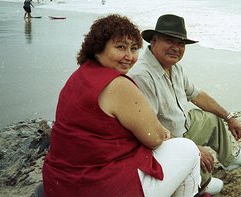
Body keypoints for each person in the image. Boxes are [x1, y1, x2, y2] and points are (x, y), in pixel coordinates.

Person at [42, 14, 201, 197]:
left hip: (61, 180)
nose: (129, 57)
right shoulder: (118, 85)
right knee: (188, 148)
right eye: (120, 47)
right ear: (98, 48)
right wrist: (159, 131)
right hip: (97, 185)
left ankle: (197, 184)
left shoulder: (79, 76)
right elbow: (155, 138)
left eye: (134, 49)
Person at [129, 14, 241, 195]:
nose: (176, 48)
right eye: (170, 41)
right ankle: (202, 184)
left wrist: (230, 117)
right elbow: (150, 130)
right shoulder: (142, 75)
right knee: (208, 178)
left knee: (211, 117)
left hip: (180, 128)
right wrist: (193, 149)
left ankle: (231, 158)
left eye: (181, 44)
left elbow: (196, 95)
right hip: (161, 144)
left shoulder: (174, 66)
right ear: (154, 41)